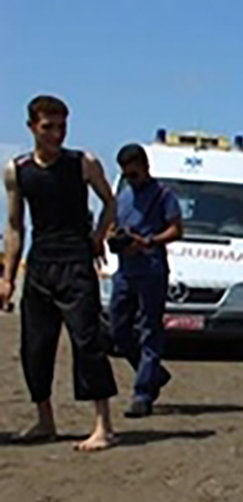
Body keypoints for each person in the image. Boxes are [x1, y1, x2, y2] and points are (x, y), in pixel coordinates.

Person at [1, 95, 119, 451]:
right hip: (39, 265)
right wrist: (7, 276)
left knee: (87, 341)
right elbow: (15, 225)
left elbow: (110, 203)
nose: (56, 134)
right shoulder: (17, 170)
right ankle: (44, 419)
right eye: (48, 127)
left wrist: (99, 237)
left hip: (76, 262)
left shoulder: (83, 163)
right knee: (35, 346)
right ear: (32, 127)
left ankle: (103, 425)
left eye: (62, 126)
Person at [108, 143, 182, 417]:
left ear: (145, 166)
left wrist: (147, 241)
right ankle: (153, 374)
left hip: (152, 268)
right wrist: (113, 237)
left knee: (150, 329)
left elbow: (176, 229)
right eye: (127, 175)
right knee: (118, 329)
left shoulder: (164, 195)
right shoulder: (123, 197)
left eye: (135, 173)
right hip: (125, 270)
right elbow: (111, 225)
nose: (131, 178)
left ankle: (143, 394)